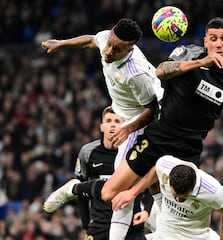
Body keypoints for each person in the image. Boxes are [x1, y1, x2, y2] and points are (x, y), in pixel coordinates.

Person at [44, 17, 223, 230]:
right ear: (206, 40)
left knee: (177, 203)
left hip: (190, 147)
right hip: (159, 134)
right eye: (213, 38)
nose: (218, 44)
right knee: (108, 193)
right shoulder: (190, 53)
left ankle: (154, 224)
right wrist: (202, 62)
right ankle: (73, 189)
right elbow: (162, 71)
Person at [41, 18, 163, 239]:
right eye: (110, 43)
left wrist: (127, 129)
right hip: (128, 116)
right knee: (124, 186)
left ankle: (75, 189)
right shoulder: (108, 39)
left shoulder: (136, 74)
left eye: (116, 49)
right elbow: (91, 41)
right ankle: (156, 220)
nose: (108, 50)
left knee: (120, 186)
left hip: (140, 123)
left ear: (130, 48)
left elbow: (152, 109)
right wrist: (60, 43)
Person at [44, 106, 153, 240]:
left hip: (130, 222)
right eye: (108, 121)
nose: (112, 125)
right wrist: (85, 225)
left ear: (124, 125)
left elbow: (147, 183)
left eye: (117, 121)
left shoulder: (133, 153)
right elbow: (82, 192)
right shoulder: (88, 152)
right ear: (101, 126)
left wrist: (147, 209)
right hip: (99, 224)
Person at [146, 155, 223, 240]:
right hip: (164, 232)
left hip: (196, 236)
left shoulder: (212, 191)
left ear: (193, 188)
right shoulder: (164, 165)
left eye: (184, 198)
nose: (178, 200)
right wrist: (136, 192)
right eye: (175, 196)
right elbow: (154, 173)